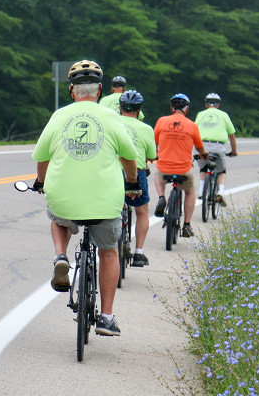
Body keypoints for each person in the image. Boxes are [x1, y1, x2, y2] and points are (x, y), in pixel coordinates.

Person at [32, 60, 140, 336]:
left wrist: (41, 181)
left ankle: (61, 256)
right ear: (100, 90)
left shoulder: (59, 116)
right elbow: (129, 157)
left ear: (72, 91)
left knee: (58, 218)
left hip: (64, 199)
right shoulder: (111, 117)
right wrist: (131, 182)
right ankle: (106, 318)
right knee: (109, 251)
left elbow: (42, 156)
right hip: (105, 202)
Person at [153, 93, 208, 238]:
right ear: (187, 109)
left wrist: (155, 154)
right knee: (190, 192)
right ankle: (187, 225)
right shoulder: (192, 125)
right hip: (184, 170)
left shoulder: (161, 121)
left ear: (172, 108)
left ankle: (161, 197)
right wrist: (204, 154)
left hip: (164, 168)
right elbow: (199, 148)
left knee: (157, 175)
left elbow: (154, 142)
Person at [118, 90, 157, 267]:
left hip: (112, 173)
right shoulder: (146, 129)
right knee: (142, 211)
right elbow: (152, 156)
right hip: (136, 173)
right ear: (139, 110)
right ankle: (139, 253)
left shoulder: (112, 123)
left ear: (120, 108)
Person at [194, 93, 237, 207]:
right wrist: (233, 151)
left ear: (206, 104)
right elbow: (232, 136)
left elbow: (194, 131)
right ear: (218, 105)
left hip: (202, 146)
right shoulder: (224, 115)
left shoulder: (200, 114)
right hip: (218, 147)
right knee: (222, 171)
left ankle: (201, 189)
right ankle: (221, 192)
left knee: (203, 168)